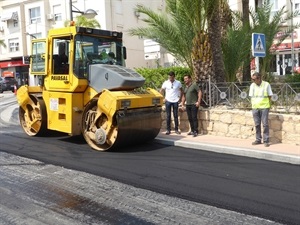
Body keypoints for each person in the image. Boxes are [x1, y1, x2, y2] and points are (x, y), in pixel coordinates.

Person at [249, 72, 273, 147]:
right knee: (257, 124)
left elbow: (270, 95)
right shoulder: (252, 86)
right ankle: (258, 139)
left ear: (259, 78)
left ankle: (266, 140)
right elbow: (251, 96)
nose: (253, 81)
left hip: (264, 107)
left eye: (254, 79)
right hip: (255, 107)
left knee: (265, 124)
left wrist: (266, 103)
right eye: (252, 79)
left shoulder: (266, 84)